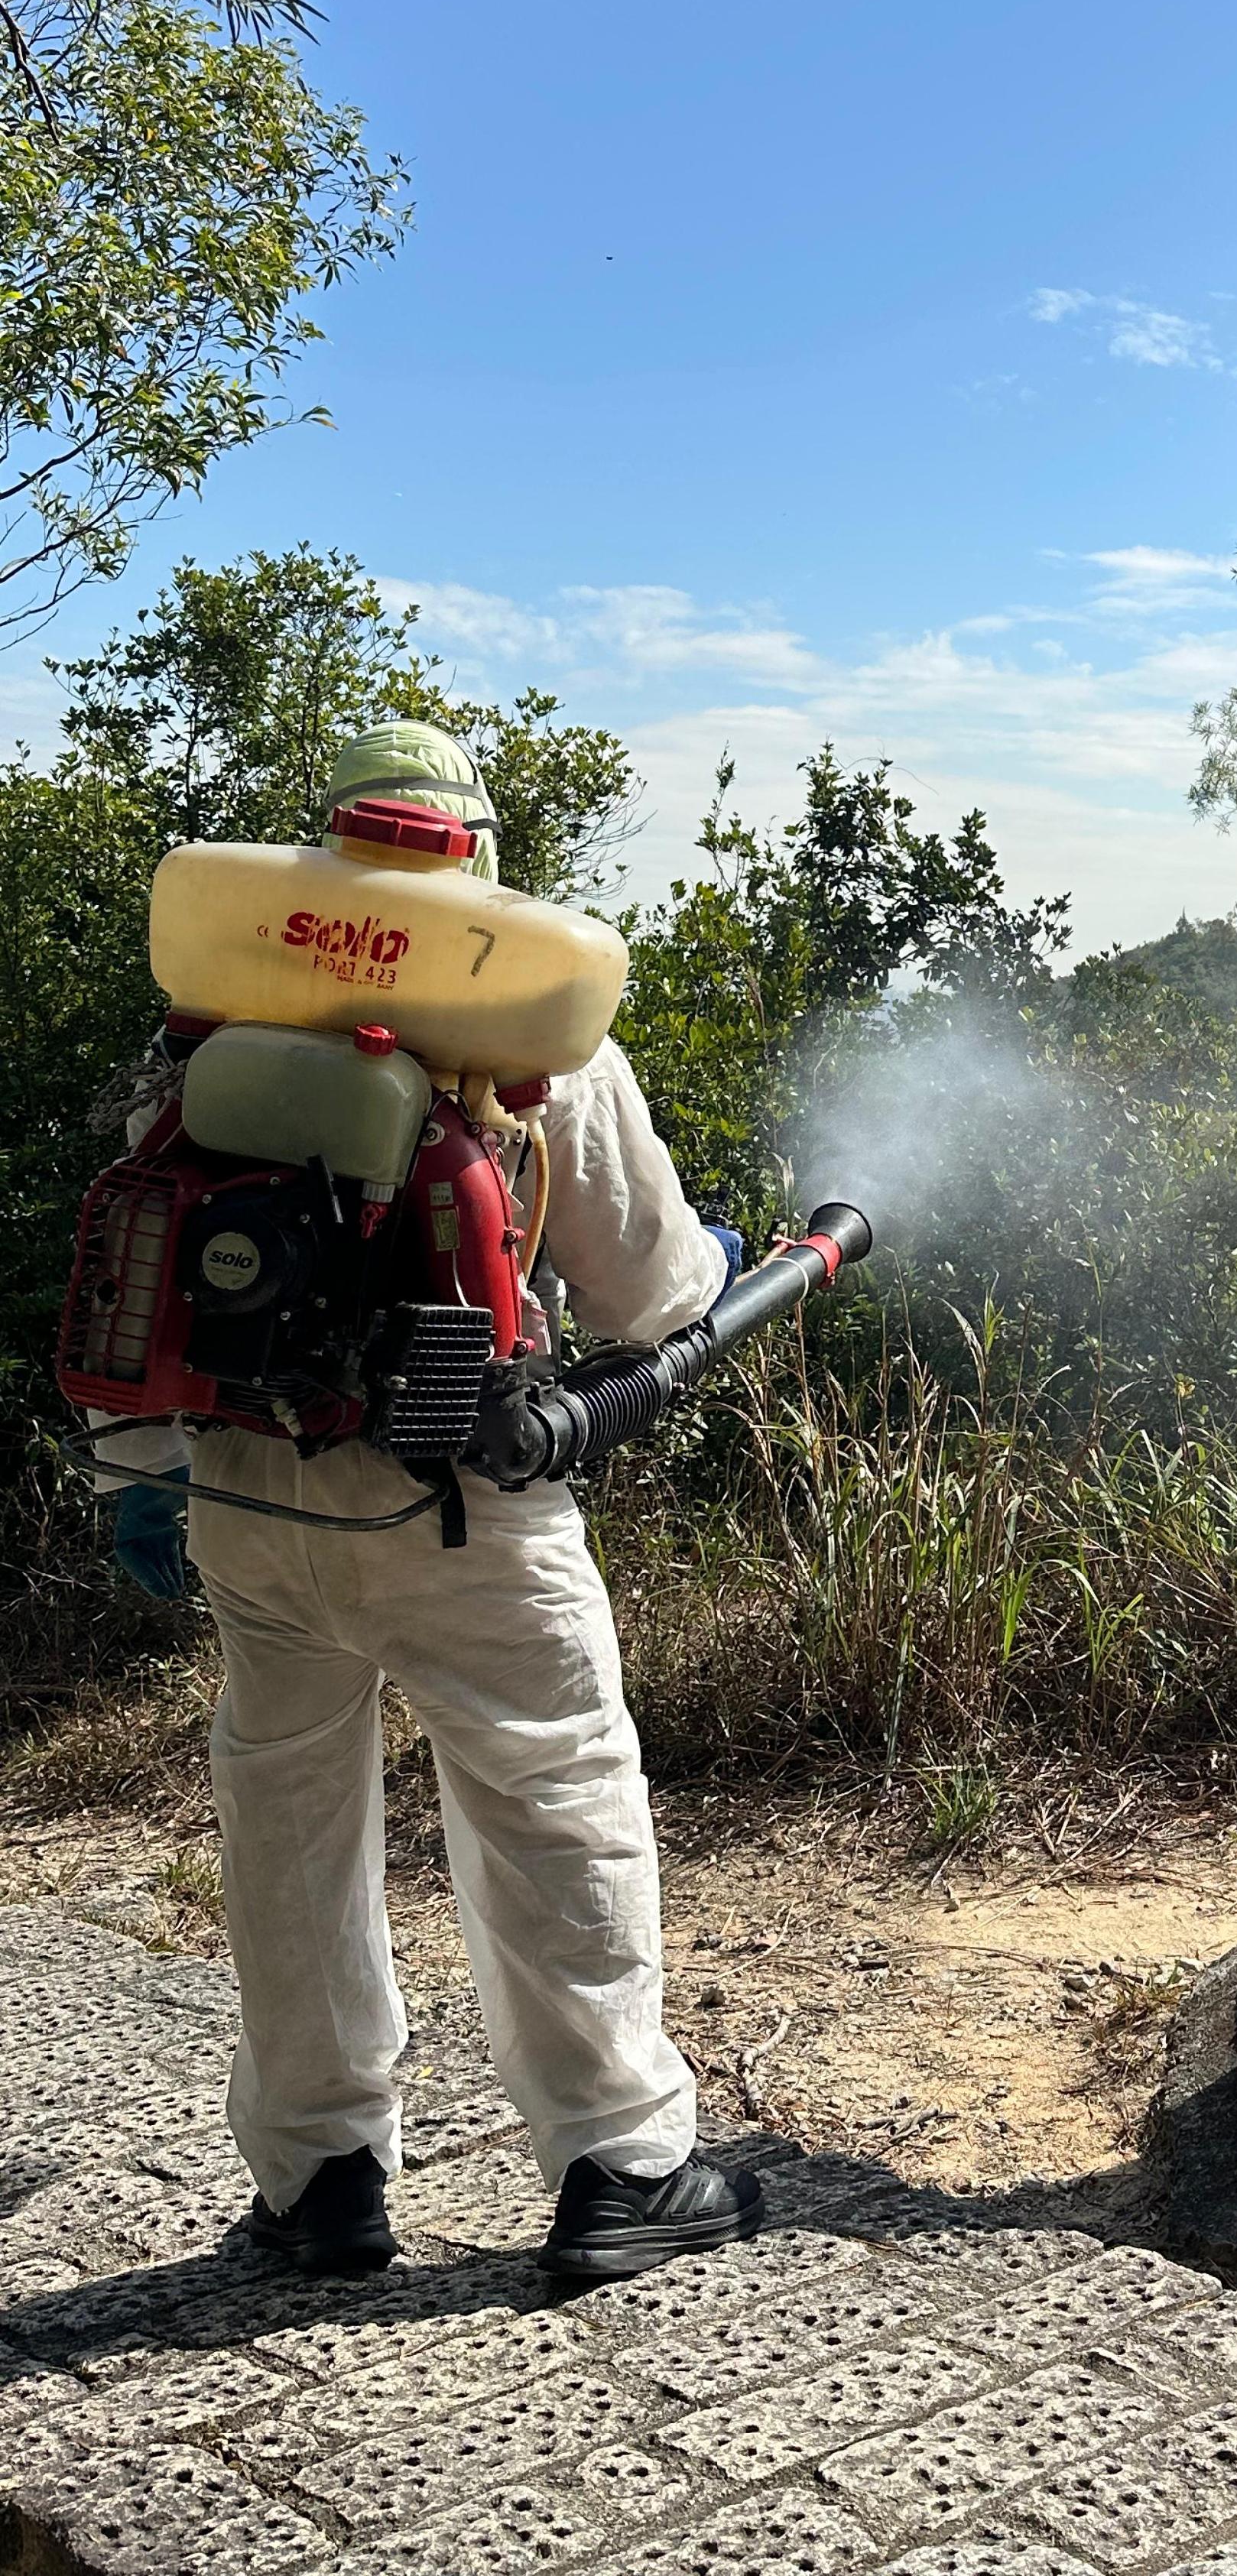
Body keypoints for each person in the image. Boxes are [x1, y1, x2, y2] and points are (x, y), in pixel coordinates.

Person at [105, 719, 761, 2283]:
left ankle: (319, 2177)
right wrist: (717, 1264)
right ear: (473, 850)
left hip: (256, 1501)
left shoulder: (215, 1019)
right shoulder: (534, 1031)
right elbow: (650, 1292)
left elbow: (141, 1260)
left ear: (328, 844)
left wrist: (136, 1467)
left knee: (286, 1817)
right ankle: (621, 2160)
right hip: (460, 1505)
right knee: (554, 1789)